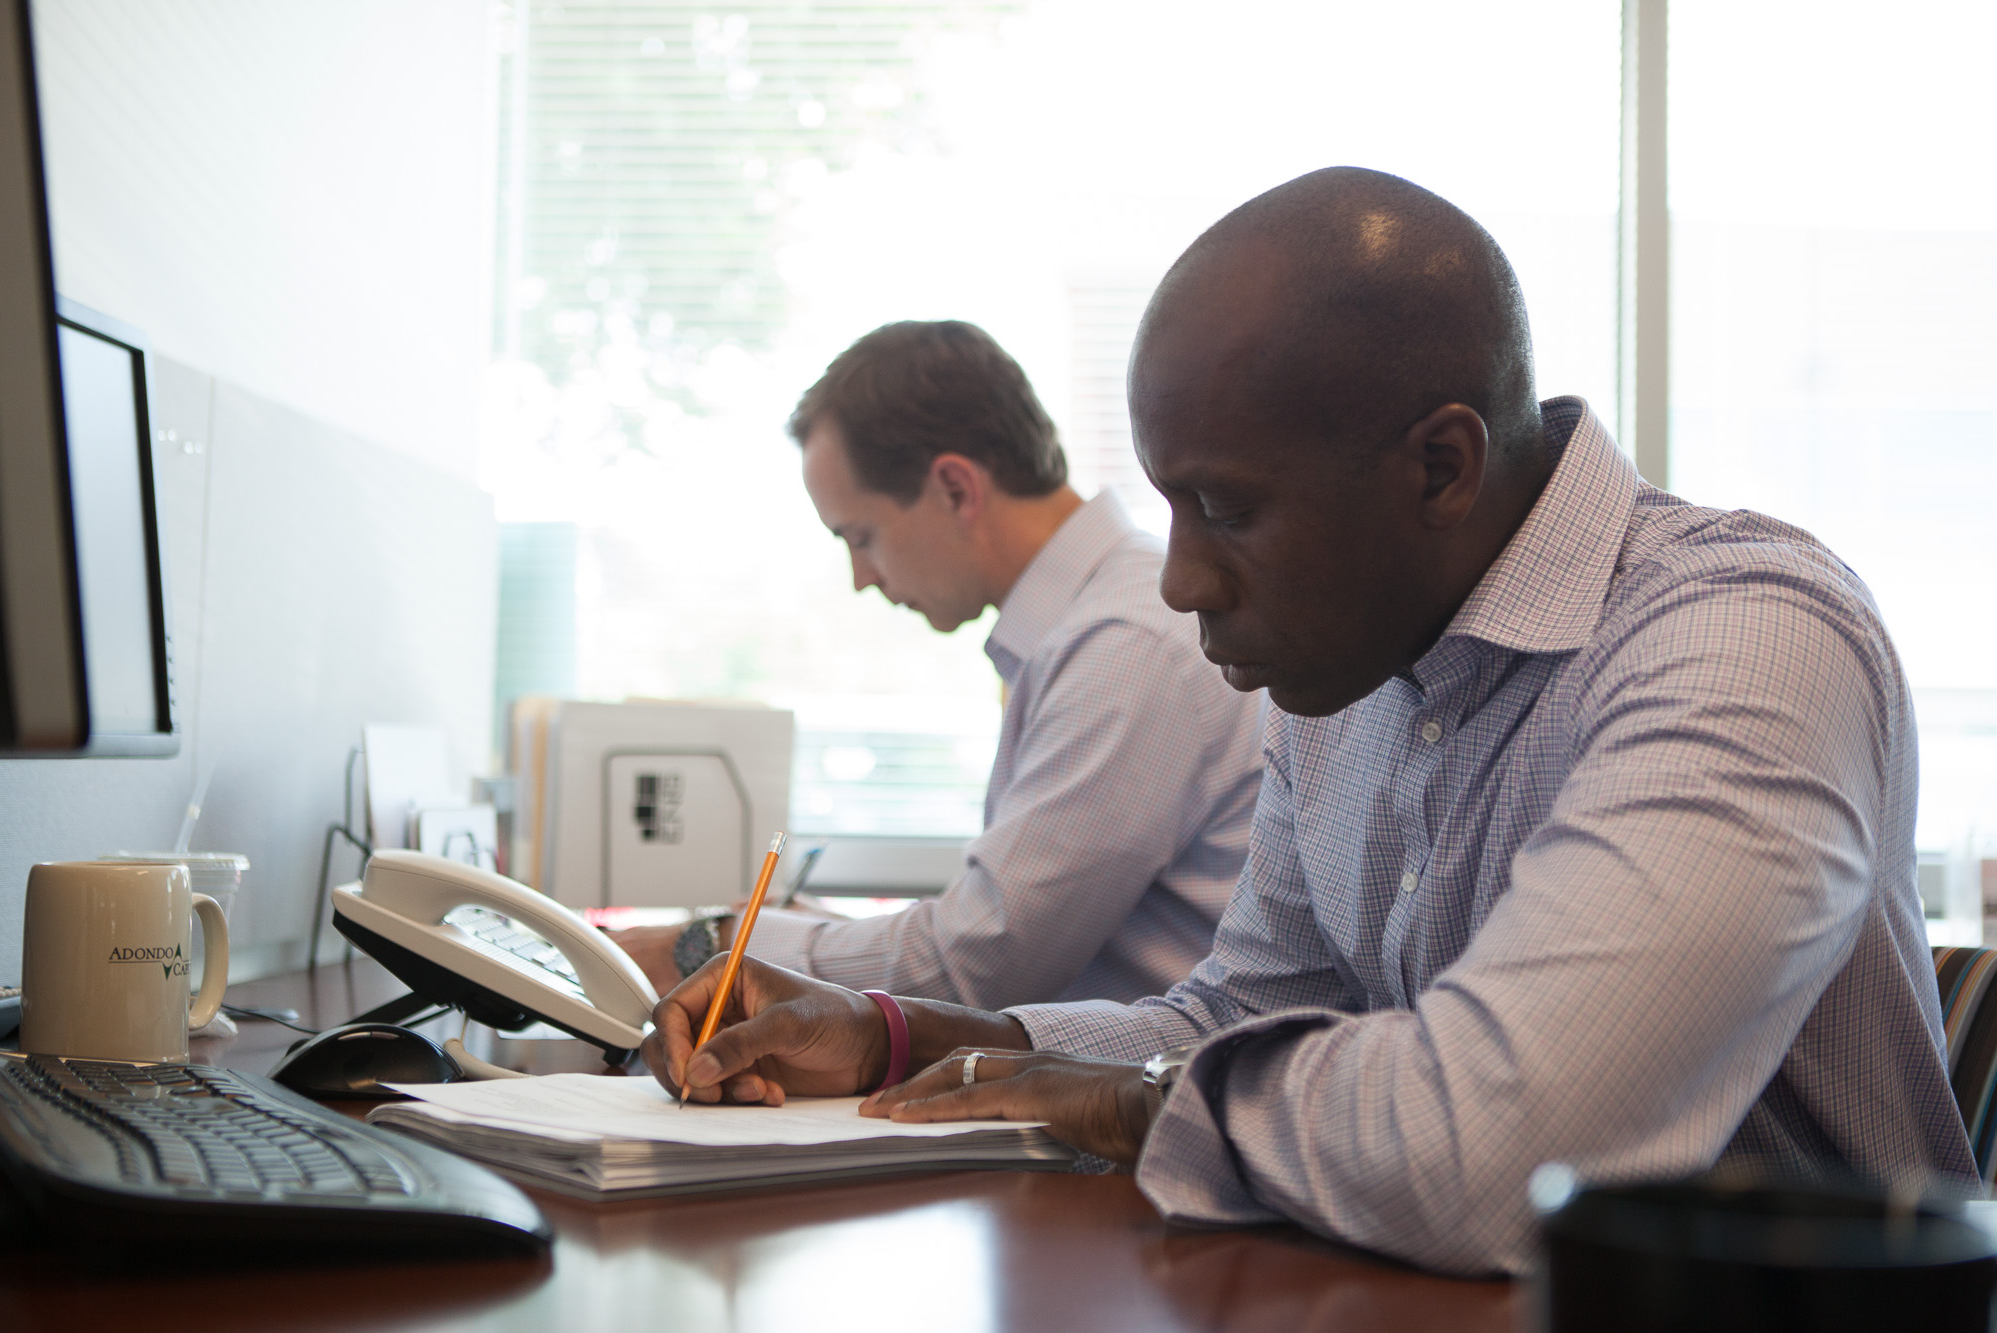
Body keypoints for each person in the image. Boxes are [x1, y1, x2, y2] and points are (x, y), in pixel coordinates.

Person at [638, 168, 1977, 1275]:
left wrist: (1139, 1101)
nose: (1179, 580)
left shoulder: (1742, 639)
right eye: (1168, 505)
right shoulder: (1349, 667)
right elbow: (1245, 1014)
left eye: (1225, 507)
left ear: (1440, 466)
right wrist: (905, 1033)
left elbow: (1501, 1151)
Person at [613, 320, 1265, 1008]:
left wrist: (716, 943)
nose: (862, 576)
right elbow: (990, 933)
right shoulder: (1084, 627)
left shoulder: (1123, 646)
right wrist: (802, 937)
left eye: (861, 536)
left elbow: (978, 963)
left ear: (955, 488)